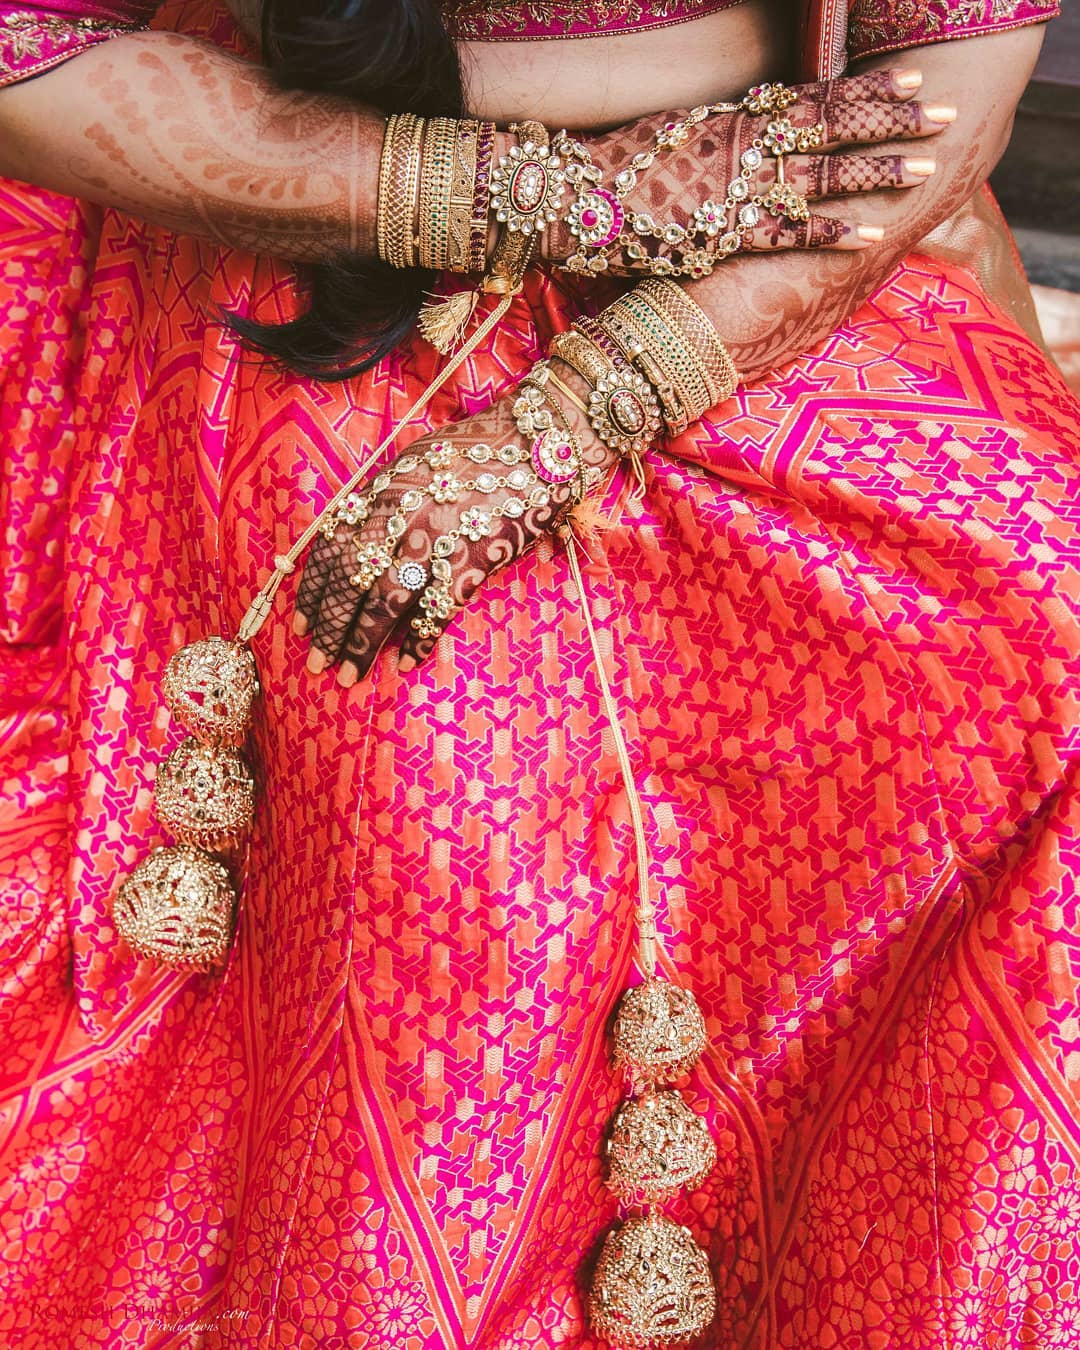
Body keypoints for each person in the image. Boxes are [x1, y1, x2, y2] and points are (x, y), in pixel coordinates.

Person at [0, 0, 1077, 1345]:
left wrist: (588, 405)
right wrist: (547, 197)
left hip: (765, 243)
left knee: (1043, 646)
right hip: (316, 241)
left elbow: (951, 60)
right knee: (438, 803)